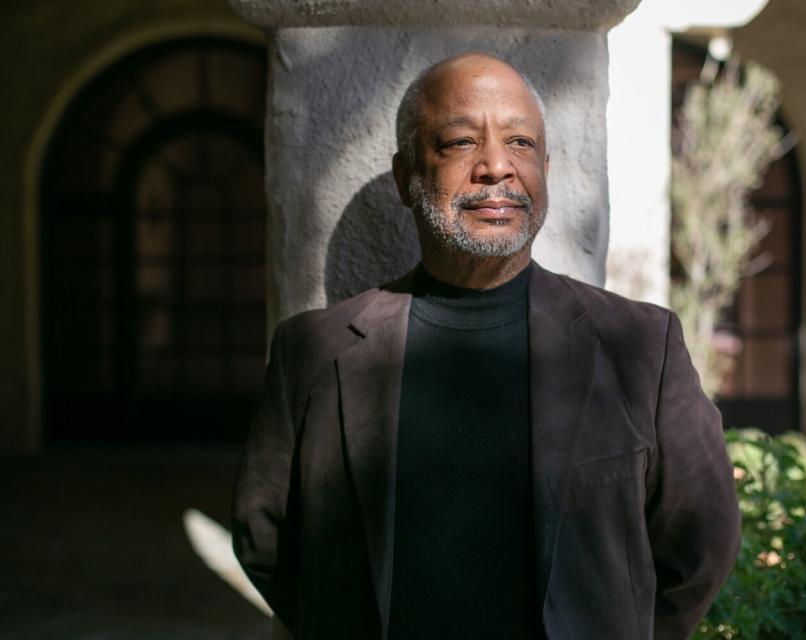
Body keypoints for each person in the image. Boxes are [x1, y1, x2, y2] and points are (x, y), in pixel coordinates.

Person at [232, 52, 740, 640]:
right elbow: (265, 537)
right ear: (407, 177)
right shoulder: (314, 351)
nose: (496, 166)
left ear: (545, 167)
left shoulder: (642, 347)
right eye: (458, 142)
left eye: (521, 143)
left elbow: (702, 540)